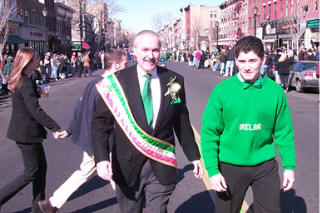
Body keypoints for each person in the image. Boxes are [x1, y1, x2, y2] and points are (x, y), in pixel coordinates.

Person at [91, 30, 203, 213]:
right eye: (145, 50)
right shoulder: (117, 82)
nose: (150, 56)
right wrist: (101, 158)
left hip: (161, 163)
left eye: (155, 50)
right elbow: (100, 124)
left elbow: (181, 121)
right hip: (126, 166)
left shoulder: (174, 80)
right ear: (134, 51)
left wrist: (194, 156)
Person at [201, 36, 296, 213]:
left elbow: (284, 132)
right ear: (235, 61)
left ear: (263, 60)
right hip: (230, 166)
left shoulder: (275, 91)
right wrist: (213, 170)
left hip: (264, 166)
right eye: (242, 61)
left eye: (252, 60)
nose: (247, 66)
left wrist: (289, 167)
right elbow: (209, 133)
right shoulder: (222, 91)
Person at [37, 49, 128, 213]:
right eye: (125, 64)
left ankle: (51, 203)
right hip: (103, 142)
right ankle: (133, 208)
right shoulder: (108, 87)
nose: (127, 68)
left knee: (84, 172)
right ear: (115, 65)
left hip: (90, 140)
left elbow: (79, 108)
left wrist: (70, 130)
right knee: (117, 175)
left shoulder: (94, 83)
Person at [0, 48, 62, 212]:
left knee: (40, 170)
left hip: (27, 131)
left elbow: (29, 99)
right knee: (31, 172)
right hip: (25, 132)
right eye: (35, 59)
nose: (38, 61)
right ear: (28, 62)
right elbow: (35, 110)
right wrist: (54, 127)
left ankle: (38, 208)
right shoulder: (25, 82)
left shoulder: (25, 78)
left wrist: (38, 87)